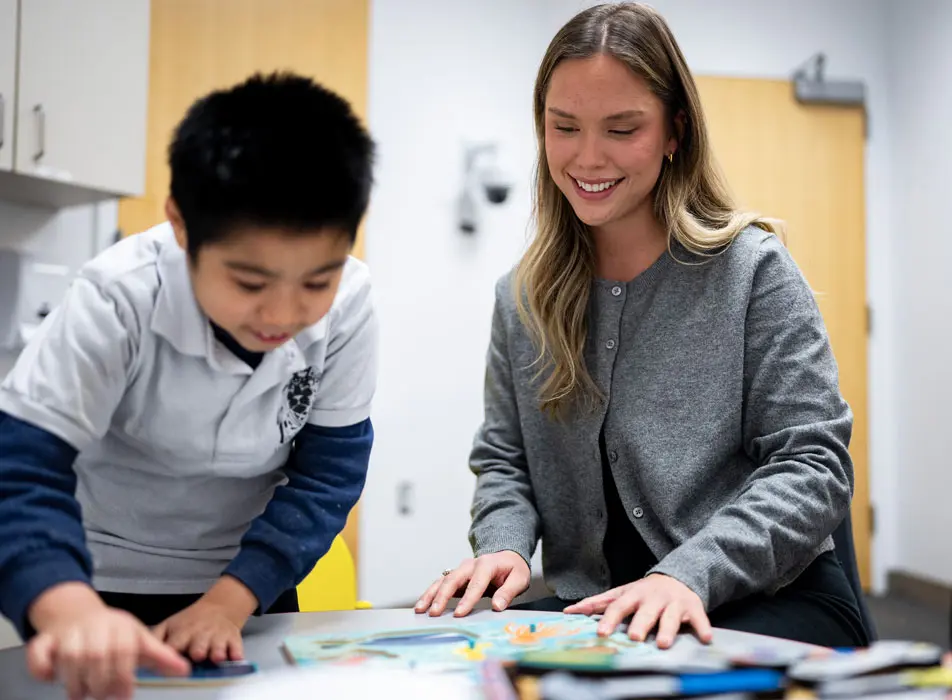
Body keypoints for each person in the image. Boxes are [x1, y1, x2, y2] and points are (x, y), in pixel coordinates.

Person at [415, 2, 869, 650]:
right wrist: (506, 546)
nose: (588, 157)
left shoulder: (752, 273)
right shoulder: (521, 300)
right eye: (564, 127)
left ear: (674, 131)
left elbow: (814, 464)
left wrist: (689, 573)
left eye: (622, 129)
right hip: (600, 609)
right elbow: (504, 460)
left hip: (766, 599)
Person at [0, 72, 377, 699]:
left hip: (251, 585)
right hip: (96, 579)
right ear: (181, 225)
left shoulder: (353, 301)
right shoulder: (118, 296)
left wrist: (231, 601)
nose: (283, 315)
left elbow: (327, 475)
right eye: (250, 284)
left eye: (316, 282)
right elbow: (20, 471)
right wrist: (69, 611)